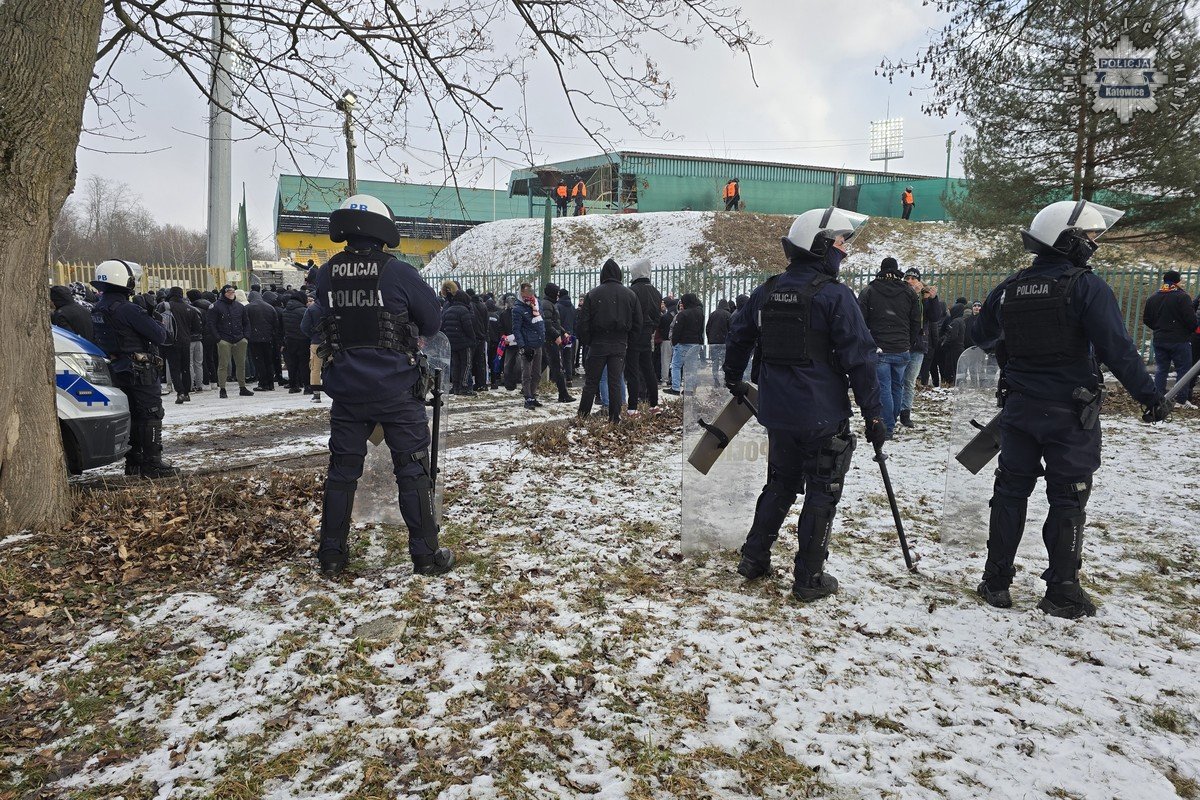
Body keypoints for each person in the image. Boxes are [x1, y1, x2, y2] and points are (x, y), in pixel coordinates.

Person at [970, 199, 1169, 619]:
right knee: (1068, 498)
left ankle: (995, 579)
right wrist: (1149, 395)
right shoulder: (1085, 286)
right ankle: (1062, 589)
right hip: (1069, 414)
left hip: (1019, 409)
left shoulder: (1010, 287)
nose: (1094, 244)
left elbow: (981, 333)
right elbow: (1118, 349)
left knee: (1009, 492)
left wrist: (1013, 352)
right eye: (1090, 237)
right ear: (1069, 239)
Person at [722, 207, 883, 602]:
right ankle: (809, 578)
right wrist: (875, 413)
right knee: (821, 491)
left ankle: (754, 557)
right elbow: (860, 359)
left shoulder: (768, 290)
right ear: (821, 245)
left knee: (779, 483)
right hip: (821, 413)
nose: (844, 251)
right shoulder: (835, 296)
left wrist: (733, 377)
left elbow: (738, 333)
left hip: (777, 412)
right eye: (842, 243)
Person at [308, 194, 452, 578]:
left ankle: (332, 556)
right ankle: (425, 555)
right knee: (412, 469)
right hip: (395, 389)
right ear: (382, 228)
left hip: (347, 392)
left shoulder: (326, 273)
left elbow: (319, 319)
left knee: (342, 472)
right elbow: (432, 322)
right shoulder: (398, 272)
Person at [88, 260, 179, 478]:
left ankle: (134, 462)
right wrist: (152, 315)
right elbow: (160, 335)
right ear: (124, 281)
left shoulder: (98, 308)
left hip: (117, 368)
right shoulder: (128, 309)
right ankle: (152, 462)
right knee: (150, 414)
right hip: (140, 368)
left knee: (132, 415)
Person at [857, 257, 921, 438]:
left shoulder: (870, 290)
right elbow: (916, 320)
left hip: (880, 347)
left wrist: (869, 340)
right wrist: (908, 341)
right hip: (902, 347)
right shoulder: (909, 292)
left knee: (883, 386)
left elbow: (860, 320)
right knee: (897, 386)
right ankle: (891, 421)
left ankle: (889, 427)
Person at [576, 259, 641, 422]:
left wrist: (589, 341)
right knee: (615, 382)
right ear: (619, 274)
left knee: (591, 382)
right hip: (619, 343)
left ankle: (582, 416)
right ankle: (614, 416)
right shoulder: (630, 295)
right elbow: (637, 323)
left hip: (598, 342)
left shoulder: (593, 294)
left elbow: (584, 323)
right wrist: (627, 340)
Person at [1142, 270, 1197, 406]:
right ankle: (1181, 400)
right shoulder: (1182, 297)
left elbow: (1147, 319)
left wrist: (1159, 328)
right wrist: (1188, 331)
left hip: (1160, 339)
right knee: (1184, 371)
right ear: (1177, 281)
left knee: (1161, 369)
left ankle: (1159, 398)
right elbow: (1191, 320)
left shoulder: (1153, 297)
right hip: (1179, 340)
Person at [624, 259, 662, 414]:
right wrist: (651, 328)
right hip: (648, 334)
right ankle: (654, 404)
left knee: (632, 371)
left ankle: (633, 407)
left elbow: (629, 315)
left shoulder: (632, 291)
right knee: (649, 370)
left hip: (633, 335)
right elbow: (657, 316)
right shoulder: (655, 292)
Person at [898, 268, 934, 426]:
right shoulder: (900, 295)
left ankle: (905, 413)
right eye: (908, 278)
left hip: (918, 345)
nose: (911, 281)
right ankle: (893, 410)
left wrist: (929, 299)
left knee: (909, 381)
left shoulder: (924, 296)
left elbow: (933, 316)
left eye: (914, 278)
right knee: (896, 380)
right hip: (901, 343)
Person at [207, 285, 253, 399]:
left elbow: (246, 322)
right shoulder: (215, 306)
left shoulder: (239, 306)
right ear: (224, 293)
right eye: (229, 292)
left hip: (239, 339)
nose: (231, 293)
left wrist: (245, 337)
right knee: (223, 365)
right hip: (224, 339)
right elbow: (211, 324)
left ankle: (242, 387)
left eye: (233, 291)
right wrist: (218, 338)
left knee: (241, 364)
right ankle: (222, 388)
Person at [511, 283, 547, 409]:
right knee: (527, 373)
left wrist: (542, 337)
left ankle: (533, 394)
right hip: (527, 344)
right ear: (521, 293)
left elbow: (541, 322)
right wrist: (523, 346)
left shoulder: (537, 304)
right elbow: (516, 329)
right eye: (527, 291)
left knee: (537, 373)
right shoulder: (518, 309)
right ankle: (528, 397)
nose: (530, 293)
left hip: (538, 343)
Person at [440, 283, 477, 394]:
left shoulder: (448, 310)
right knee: (466, 365)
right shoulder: (464, 311)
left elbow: (443, 326)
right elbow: (468, 328)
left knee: (456, 365)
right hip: (464, 343)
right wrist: (473, 339)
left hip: (452, 343)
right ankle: (464, 386)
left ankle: (455, 386)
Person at [540, 283, 574, 403]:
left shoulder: (551, 304)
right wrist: (556, 336)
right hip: (550, 340)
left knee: (544, 364)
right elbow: (547, 324)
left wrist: (563, 332)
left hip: (550, 339)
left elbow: (555, 323)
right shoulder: (547, 304)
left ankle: (528, 388)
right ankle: (563, 394)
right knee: (557, 367)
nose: (558, 296)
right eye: (557, 293)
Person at [667, 293, 704, 394]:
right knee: (691, 367)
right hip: (695, 343)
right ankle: (689, 389)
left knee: (676, 365)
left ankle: (675, 388)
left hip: (682, 343)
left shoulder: (683, 314)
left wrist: (674, 342)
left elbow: (677, 330)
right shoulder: (700, 313)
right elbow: (701, 329)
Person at [246, 290, 280, 392]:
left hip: (254, 339)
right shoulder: (270, 307)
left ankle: (263, 383)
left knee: (258, 361)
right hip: (268, 338)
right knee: (268, 361)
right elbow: (276, 324)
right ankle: (270, 384)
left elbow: (245, 323)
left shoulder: (248, 308)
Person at [281, 291, 310, 393]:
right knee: (304, 364)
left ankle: (293, 385)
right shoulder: (304, 311)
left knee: (292, 364)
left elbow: (283, 328)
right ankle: (307, 386)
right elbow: (308, 326)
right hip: (303, 340)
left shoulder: (285, 311)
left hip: (289, 340)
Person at [556, 289, 577, 382]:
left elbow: (556, 321)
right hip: (570, 335)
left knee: (558, 356)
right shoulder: (572, 307)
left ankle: (557, 378)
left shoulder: (558, 306)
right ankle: (569, 378)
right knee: (568, 357)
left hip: (560, 335)